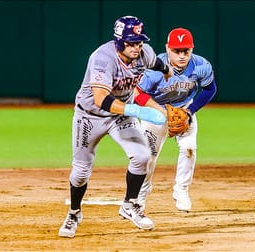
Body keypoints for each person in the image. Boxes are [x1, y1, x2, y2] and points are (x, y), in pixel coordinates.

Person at [58, 15, 173, 238]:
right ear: (119, 41)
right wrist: (137, 111)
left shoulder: (144, 52)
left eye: (139, 41)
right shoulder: (102, 58)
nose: (137, 46)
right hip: (90, 115)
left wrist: (168, 72)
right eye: (131, 42)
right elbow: (100, 98)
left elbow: (157, 63)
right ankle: (74, 213)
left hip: (120, 116)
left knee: (142, 156)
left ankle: (130, 205)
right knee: (81, 172)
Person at [135, 27, 217, 212]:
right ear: (167, 48)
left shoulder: (200, 65)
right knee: (148, 157)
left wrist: (190, 111)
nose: (181, 56)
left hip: (184, 108)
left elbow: (210, 89)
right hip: (154, 111)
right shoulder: (154, 67)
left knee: (189, 148)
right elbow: (137, 94)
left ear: (192, 49)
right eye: (176, 51)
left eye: (185, 51)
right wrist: (161, 113)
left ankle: (181, 190)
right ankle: (140, 195)